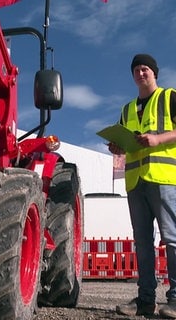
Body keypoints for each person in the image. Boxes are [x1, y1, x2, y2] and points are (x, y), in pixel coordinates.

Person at [108, 53, 176, 319]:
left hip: (163, 178)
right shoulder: (126, 110)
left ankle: (175, 299)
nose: (140, 73)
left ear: (154, 73)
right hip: (135, 182)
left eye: (144, 68)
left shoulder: (169, 97)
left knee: (172, 239)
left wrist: (158, 140)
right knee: (143, 243)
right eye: (136, 69)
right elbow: (125, 141)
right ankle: (146, 300)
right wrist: (116, 145)